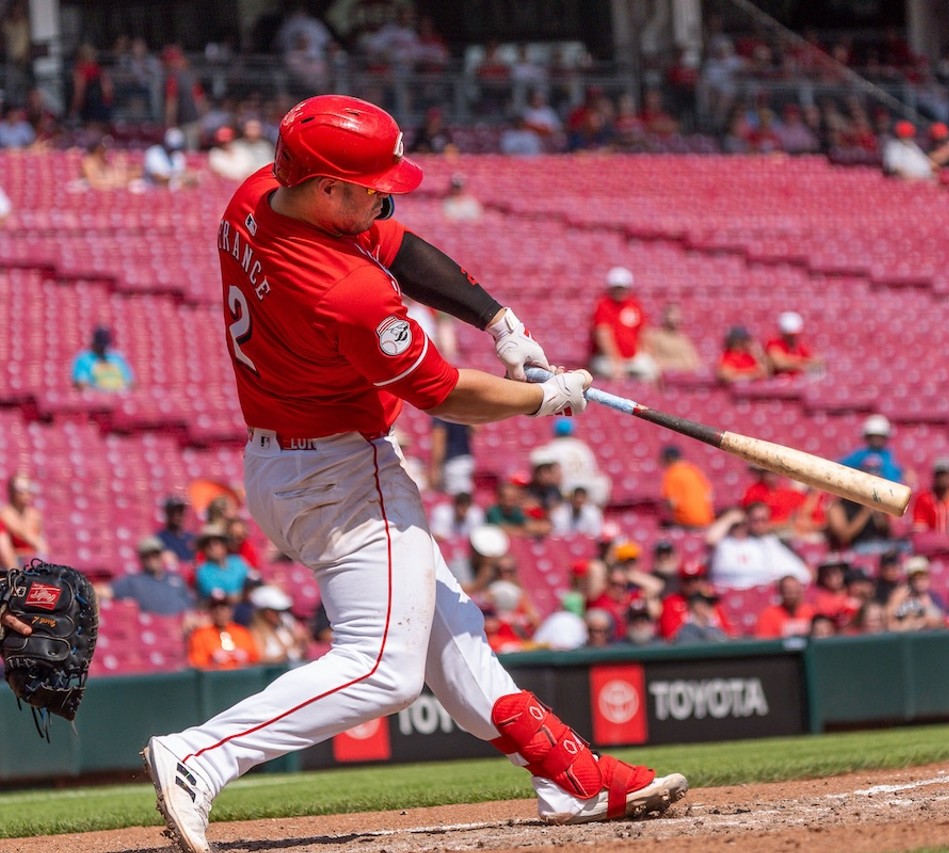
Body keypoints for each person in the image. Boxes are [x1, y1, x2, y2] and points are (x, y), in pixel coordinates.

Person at [142, 95, 684, 853]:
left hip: (285, 463)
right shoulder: (345, 290)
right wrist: (545, 399)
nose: (384, 194)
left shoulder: (257, 195)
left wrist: (499, 321)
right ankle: (201, 754)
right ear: (328, 187)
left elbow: (395, 241)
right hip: (343, 473)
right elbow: (444, 395)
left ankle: (570, 775)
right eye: (367, 184)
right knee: (384, 671)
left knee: (454, 636)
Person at [706, 504, 810, 590]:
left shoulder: (772, 542)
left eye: (763, 520)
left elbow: (804, 574)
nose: (760, 525)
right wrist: (731, 517)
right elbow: (711, 539)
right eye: (756, 520)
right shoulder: (729, 541)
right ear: (747, 520)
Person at [588, 266, 660, 382]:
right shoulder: (604, 305)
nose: (620, 291)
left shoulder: (634, 305)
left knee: (651, 370)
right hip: (608, 358)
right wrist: (616, 362)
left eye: (623, 288)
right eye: (617, 288)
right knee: (613, 374)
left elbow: (643, 333)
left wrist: (650, 355)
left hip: (632, 357)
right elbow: (603, 335)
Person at [109, 535, 196, 616]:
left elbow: (190, 605)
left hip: (180, 626)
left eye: (155, 554)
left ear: (161, 555)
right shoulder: (134, 581)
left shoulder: (177, 579)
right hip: (153, 627)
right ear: (141, 558)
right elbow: (107, 591)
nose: (151, 559)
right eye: (146, 555)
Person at [532, 418, 610, 507]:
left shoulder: (553, 447)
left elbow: (550, 475)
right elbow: (593, 471)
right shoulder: (582, 447)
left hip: (566, 493)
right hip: (587, 494)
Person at [187, 591, 260, 670]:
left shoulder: (241, 632)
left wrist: (246, 657)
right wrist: (211, 660)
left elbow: (255, 658)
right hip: (214, 678)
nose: (220, 612)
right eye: (215, 608)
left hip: (241, 676)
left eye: (224, 608)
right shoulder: (200, 634)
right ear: (210, 612)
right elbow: (196, 663)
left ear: (231, 611)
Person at [245, 585, 309, 665]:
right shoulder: (256, 632)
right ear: (264, 612)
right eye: (275, 611)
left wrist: (302, 641)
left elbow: (300, 651)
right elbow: (262, 660)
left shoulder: (286, 623)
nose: (279, 614)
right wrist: (286, 653)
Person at [911, 457, 949, 538]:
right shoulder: (924, 499)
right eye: (940, 474)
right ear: (934, 476)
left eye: (945, 474)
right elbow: (920, 533)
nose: (943, 478)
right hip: (931, 547)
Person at [840, 414, 907, 485]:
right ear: (867, 437)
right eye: (873, 436)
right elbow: (842, 468)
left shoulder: (889, 456)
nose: (876, 439)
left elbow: (894, 478)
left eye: (880, 436)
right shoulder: (860, 454)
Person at [885, 556, 947, 632]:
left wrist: (925, 617)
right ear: (909, 580)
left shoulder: (934, 597)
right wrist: (895, 602)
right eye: (914, 579)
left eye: (922, 578)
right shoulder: (901, 596)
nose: (919, 583)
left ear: (928, 578)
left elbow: (942, 622)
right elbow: (889, 623)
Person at [192, 525, 252, 602]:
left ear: (224, 545)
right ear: (204, 549)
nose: (213, 547)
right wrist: (243, 595)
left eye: (216, 543)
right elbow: (219, 597)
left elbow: (253, 581)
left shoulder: (238, 561)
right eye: (208, 544)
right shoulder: (203, 571)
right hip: (220, 609)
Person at [659, 445, 714, 529]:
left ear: (669, 459)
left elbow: (672, 503)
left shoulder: (672, 473)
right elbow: (709, 495)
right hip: (706, 520)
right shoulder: (693, 470)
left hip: (686, 522)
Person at [71, 325, 135, 391]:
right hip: (95, 397)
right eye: (100, 345)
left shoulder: (117, 358)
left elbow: (131, 383)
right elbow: (81, 384)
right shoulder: (83, 359)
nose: (102, 348)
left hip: (118, 396)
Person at [644, 304, 703, 373]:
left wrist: (677, 365)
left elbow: (694, 362)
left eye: (677, 315)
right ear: (664, 317)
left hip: (683, 377)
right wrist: (673, 365)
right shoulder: (655, 336)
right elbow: (653, 361)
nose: (675, 318)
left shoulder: (684, 339)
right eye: (672, 315)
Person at [1, 473, 46, 561]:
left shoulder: (35, 516)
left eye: (29, 488)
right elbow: (5, 552)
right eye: (21, 489)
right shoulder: (3, 516)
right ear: (12, 491)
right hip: (13, 566)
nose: (26, 493)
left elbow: (42, 547)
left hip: (33, 564)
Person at [764, 311, 822, 377]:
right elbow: (780, 363)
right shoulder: (774, 343)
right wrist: (804, 364)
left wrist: (792, 361)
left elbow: (817, 361)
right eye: (789, 335)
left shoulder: (799, 347)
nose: (792, 337)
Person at [429, 418, 475, 496]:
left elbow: (439, 438)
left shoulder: (440, 411)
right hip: (466, 459)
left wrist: (435, 468)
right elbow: (474, 428)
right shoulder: (460, 409)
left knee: (457, 500)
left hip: (453, 463)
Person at [156, 495, 196, 563]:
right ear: (167, 513)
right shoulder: (159, 539)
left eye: (180, 511)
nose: (177, 516)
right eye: (173, 512)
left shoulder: (192, 538)